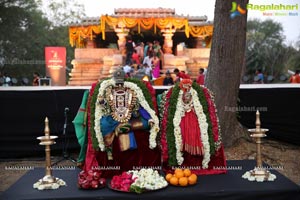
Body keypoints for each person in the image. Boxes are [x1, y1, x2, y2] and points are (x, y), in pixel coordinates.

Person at [75, 68, 161, 178]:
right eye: (117, 82)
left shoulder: (132, 90)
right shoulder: (107, 90)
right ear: (114, 80)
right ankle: (110, 144)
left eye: (121, 82)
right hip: (113, 119)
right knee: (103, 125)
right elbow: (105, 107)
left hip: (131, 119)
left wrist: (148, 118)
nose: (119, 85)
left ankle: (125, 128)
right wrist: (102, 102)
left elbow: (140, 108)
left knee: (146, 123)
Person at [159, 79, 226, 175]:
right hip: (182, 119)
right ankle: (179, 158)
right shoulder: (178, 107)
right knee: (179, 131)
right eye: (184, 96)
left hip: (194, 119)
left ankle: (200, 156)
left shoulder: (197, 105)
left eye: (188, 96)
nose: (186, 98)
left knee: (198, 131)